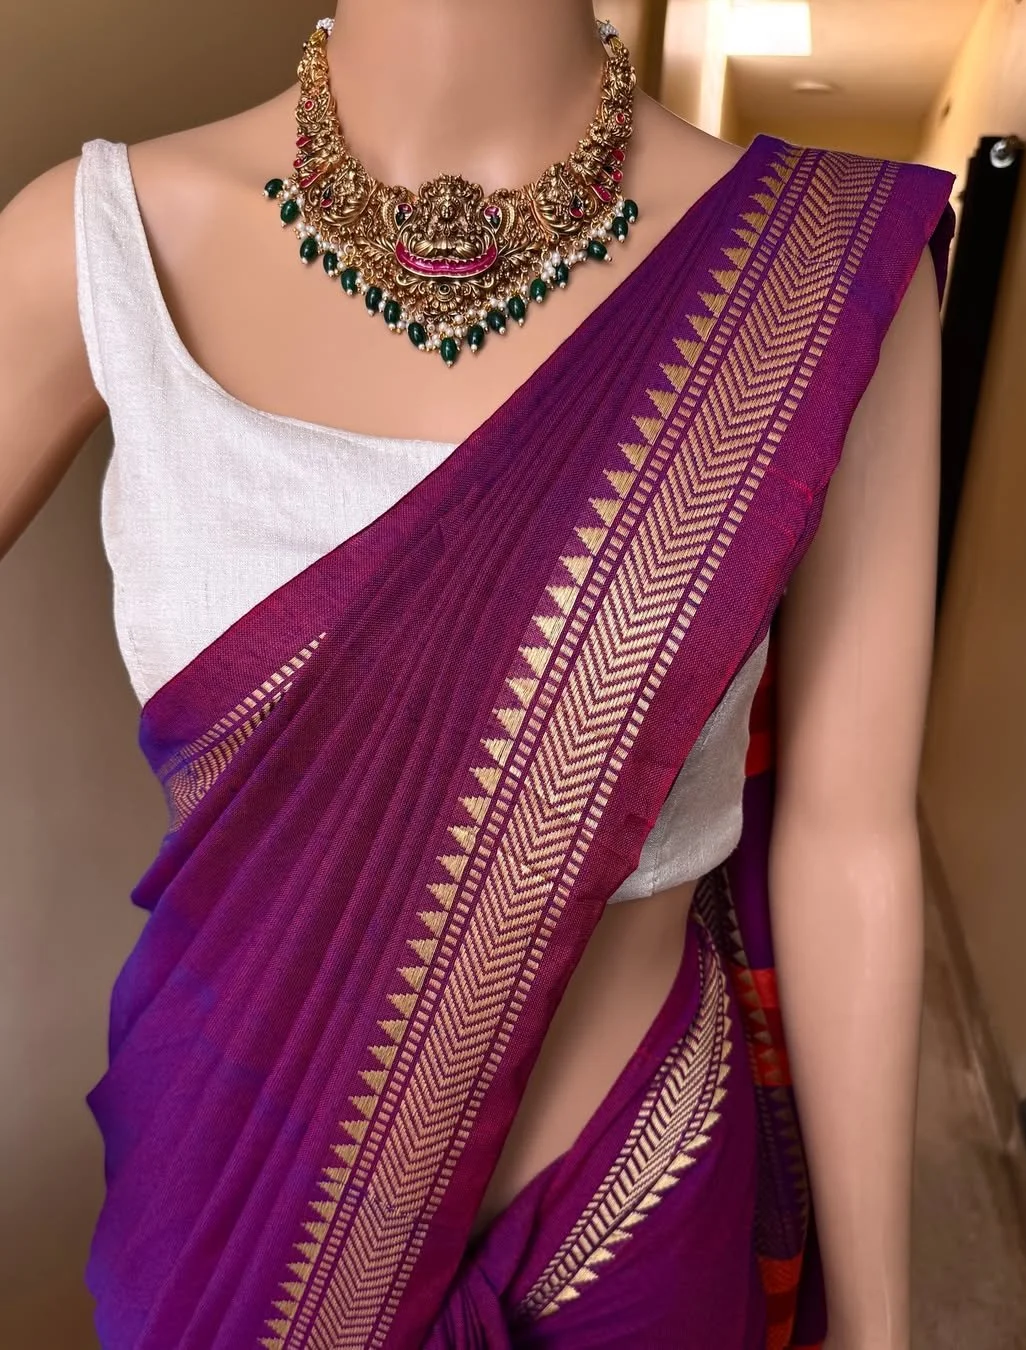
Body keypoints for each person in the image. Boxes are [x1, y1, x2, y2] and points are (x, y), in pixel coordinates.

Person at [0, 2, 954, 1346]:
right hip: (238, 1211)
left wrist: (879, 1325)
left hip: (638, 1204)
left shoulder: (818, 273)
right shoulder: (95, 242)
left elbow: (851, 836)